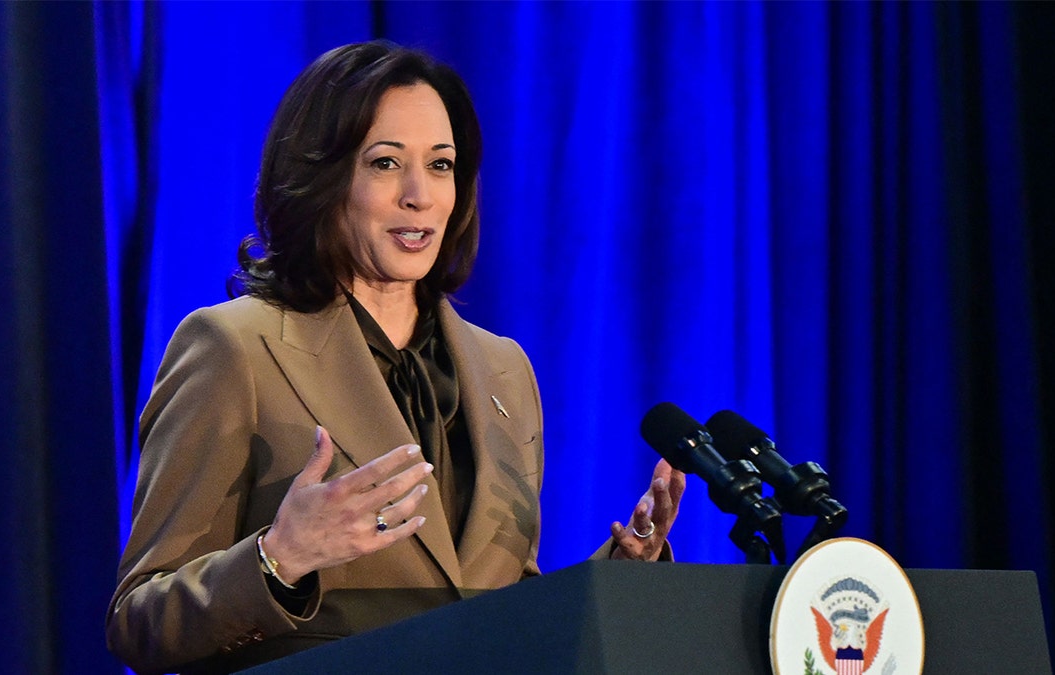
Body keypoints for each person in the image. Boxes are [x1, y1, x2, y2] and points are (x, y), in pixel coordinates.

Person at [105, 40, 685, 674]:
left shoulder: (504, 370)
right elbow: (141, 622)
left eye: (441, 165)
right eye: (385, 163)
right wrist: (279, 559)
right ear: (321, 178)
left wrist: (623, 577)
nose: (420, 195)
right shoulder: (234, 347)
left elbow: (506, 613)